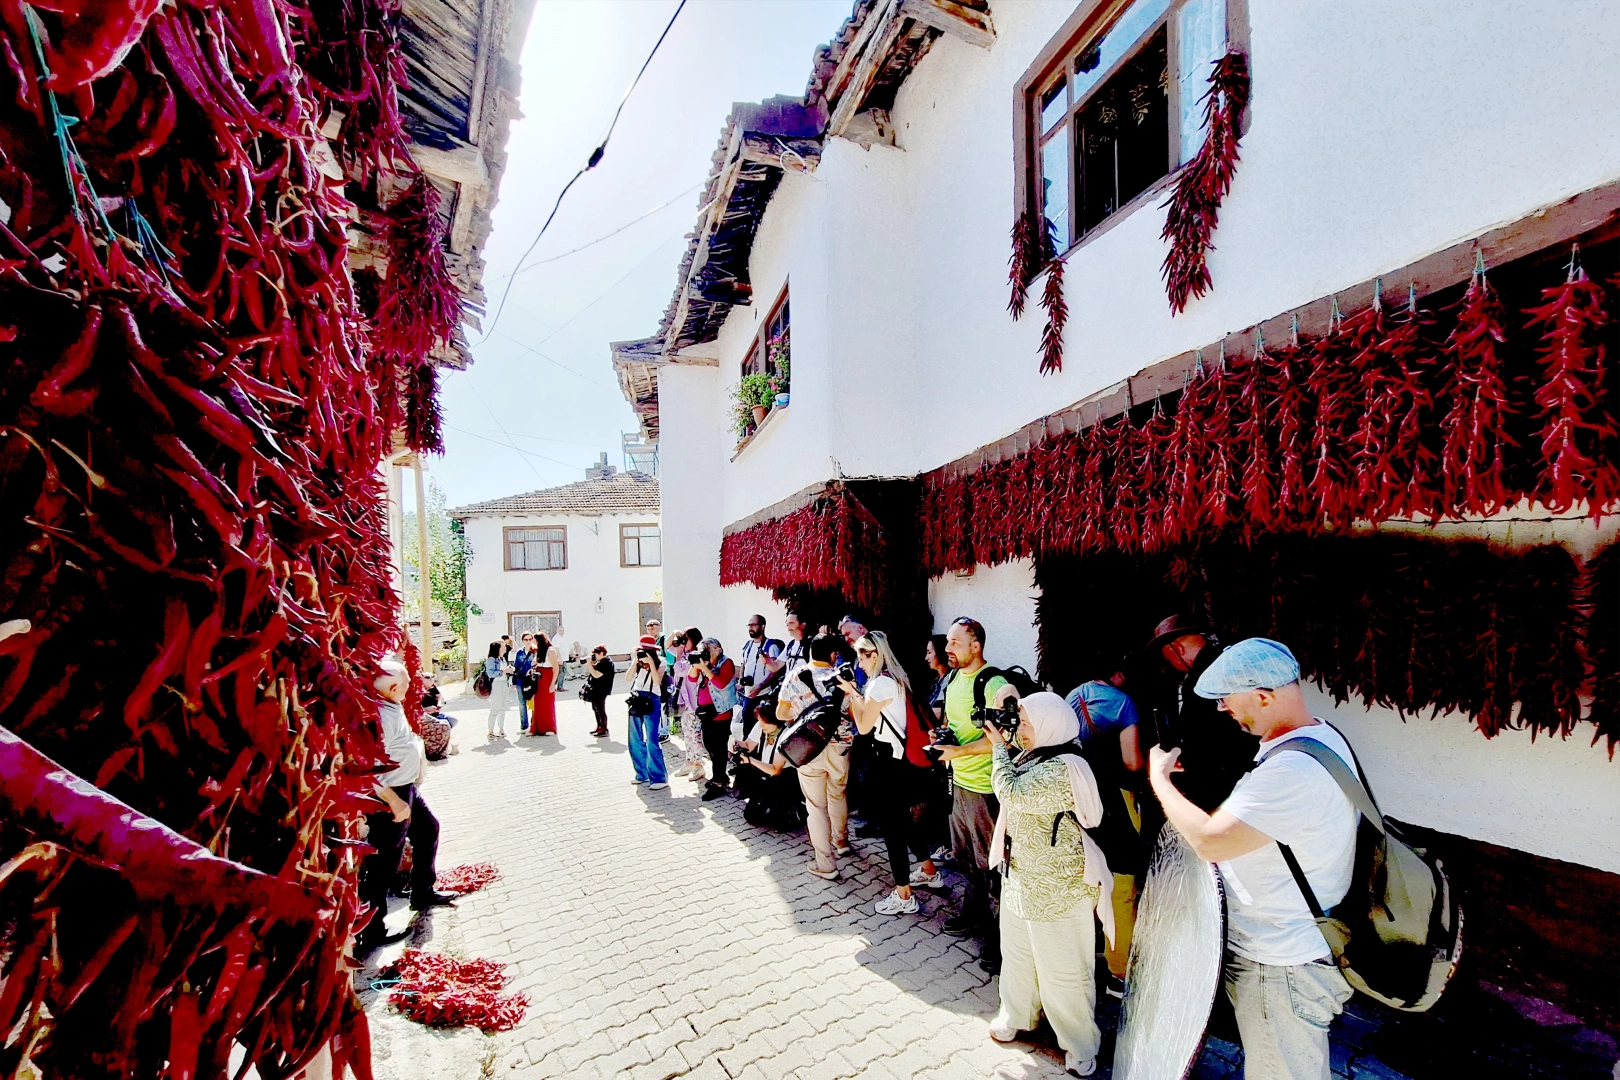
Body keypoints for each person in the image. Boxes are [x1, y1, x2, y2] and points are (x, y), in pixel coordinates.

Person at [1148, 638, 1358, 1080]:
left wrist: (1159, 779)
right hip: (1296, 945)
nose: (1224, 710)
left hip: (1279, 963)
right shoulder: (1321, 737)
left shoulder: (1291, 770)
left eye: (1228, 699)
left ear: (1263, 696)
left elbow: (1209, 841)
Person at [983, 692, 1113, 1079]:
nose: (1019, 730)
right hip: (1021, 876)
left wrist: (997, 751)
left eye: (1025, 722)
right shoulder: (1033, 754)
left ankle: (1080, 1043)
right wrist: (1007, 748)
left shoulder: (1066, 766)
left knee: (1064, 970)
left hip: (1060, 887)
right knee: (1018, 955)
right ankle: (1018, 1016)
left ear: (1051, 723)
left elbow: (1013, 793)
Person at [835, 631, 943, 916]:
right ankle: (929, 871)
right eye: (857, 654)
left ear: (876, 654)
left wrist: (853, 694)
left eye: (863, 654)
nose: (859, 661)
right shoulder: (893, 679)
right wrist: (858, 694)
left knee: (893, 829)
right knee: (903, 822)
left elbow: (863, 726)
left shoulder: (880, 684)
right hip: (899, 762)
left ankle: (903, 894)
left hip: (888, 764)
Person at [357, 660, 457, 955]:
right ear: (392, 687)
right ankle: (372, 931)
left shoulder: (388, 704)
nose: (409, 690)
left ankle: (422, 893)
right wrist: (391, 798)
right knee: (383, 863)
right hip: (392, 795)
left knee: (428, 830)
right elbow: (363, 766)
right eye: (405, 686)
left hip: (406, 787)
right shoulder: (376, 715)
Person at [1065, 655, 1146, 994]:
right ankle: (1119, 970)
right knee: (1122, 884)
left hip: (1080, 797)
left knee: (1088, 876)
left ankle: (1083, 956)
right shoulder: (1124, 703)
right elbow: (1131, 760)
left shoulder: (1071, 696)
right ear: (1117, 673)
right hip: (1118, 800)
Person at [936, 617, 1007, 970]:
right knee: (966, 859)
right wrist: (944, 736)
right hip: (959, 784)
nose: (947, 648)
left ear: (975, 645)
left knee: (993, 866)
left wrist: (958, 753)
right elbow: (954, 724)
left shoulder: (993, 683)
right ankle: (974, 916)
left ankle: (1002, 942)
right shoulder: (952, 679)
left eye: (954, 642)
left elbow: (1005, 737)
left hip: (985, 789)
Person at [1147, 615, 1259, 810]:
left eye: (1168, 659)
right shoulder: (1230, 659)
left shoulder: (1200, 680)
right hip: (1259, 764)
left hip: (1230, 783)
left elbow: (1198, 737)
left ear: (1177, 650)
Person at [776, 633, 853, 880]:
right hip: (841, 745)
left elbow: (780, 713)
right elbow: (854, 709)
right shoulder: (841, 677)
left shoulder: (796, 675)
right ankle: (841, 842)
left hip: (809, 749)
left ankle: (825, 864)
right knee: (838, 793)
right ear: (833, 655)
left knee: (816, 807)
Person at [735, 704, 804, 830]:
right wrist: (735, 743)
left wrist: (750, 760)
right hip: (764, 776)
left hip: (783, 779)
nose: (760, 726)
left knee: (779, 823)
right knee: (751, 816)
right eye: (759, 721)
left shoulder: (786, 735)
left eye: (764, 723)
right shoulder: (761, 727)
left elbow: (775, 770)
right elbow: (748, 745)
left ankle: (792, 809)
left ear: (775, 721)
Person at [689, 637, 738, 800]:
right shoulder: (706, 662)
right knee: (709, 744)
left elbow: (720, 683)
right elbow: (691, 678)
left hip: (721, 712)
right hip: (706, 712)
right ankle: (720, 776)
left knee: (718, 748)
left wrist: (705, 667)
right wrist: (696, 665)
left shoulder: (727, 663)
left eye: (707, 650)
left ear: (718, 649)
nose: (705, 653)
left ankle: (719, 783)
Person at [627, 635, 668, 788]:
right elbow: (627, 678)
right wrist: (634, 662)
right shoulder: (637, 662)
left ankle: (659, 778)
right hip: (637, 697)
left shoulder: (661, 661)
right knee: (634, 738)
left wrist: (651, 663)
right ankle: (641, 773)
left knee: (652, 739)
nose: (642, 653)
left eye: (645, 651)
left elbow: (657, 681)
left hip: (652, 699)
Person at [737, 615, 785, 728]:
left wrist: (760, 687)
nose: (750, 628)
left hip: (764, 694)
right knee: (747, 725)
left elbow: (775, 671)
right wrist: (740, 681)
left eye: (754, 625)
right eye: (749, 625)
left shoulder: (771, 646)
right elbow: (743, 664)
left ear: (762, 627)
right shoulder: (747, 646)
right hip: (749, 694)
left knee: (763, 726)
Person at [526, 632, 560, 736]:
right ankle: (536, 728)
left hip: (548, 677)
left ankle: (549, 728)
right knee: (538, 703)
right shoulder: (540, 651)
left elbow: (556, 668)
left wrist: (552, 684)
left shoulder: (550, 651)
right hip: (539, 677)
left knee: (547, 703)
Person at [483, 641, 513, 740]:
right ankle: (490, 731)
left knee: (503, 708)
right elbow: (490, 673)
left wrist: (509, 670)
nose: (505, 648)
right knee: (495, 708)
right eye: (503, 646)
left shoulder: (502, 659)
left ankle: (501, 728)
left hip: (504, 684)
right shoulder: (491, 660)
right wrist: (504, 671)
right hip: (496, 685)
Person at [584, 644, 615, 736]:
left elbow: (596, 675)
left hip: (601, 689)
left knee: (600, 710)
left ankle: (604, 729)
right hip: (596, 689)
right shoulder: (602, 661)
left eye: (596, 654)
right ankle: (599, 727)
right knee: (596, 708)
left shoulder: (606, 663)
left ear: (601, 653)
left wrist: (589, 664)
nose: (594, 656)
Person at [513, 632, 535, 732]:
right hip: (521, 679)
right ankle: (524, 725)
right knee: (522, 703)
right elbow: (516, 666)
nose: (528, 641)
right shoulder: (519, 652)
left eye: (530, 639)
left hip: (532, 679)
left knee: (534, 702)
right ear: (522, 641)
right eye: (526, 639)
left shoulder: (535, 651)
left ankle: (534, 724)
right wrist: (513, 681)